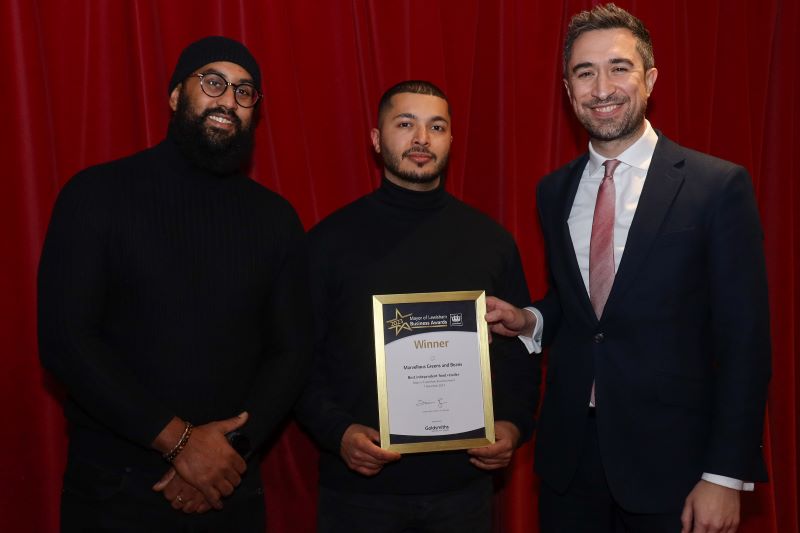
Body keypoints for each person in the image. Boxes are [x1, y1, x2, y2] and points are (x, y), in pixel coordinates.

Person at [485, 4, 771, 533]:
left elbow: (745, 340)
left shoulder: (716, 186)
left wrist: (725, 475)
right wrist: (530, 321)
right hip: (570, 465)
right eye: (584, 72)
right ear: (567, 90)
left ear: (650, 78)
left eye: (619, 67)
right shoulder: (554, 191)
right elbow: (587, 312)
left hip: (676, 468)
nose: (602, 88)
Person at [38, 36, 310, 532]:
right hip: (114, 490)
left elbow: (291, 351)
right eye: (213, 82)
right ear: (174, 95)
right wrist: (181, 443)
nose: (229, 99)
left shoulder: (277, 218)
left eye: (245, 92)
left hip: (231, 486)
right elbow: (66, 340)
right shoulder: (96, 194)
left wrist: (224, 457)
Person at [294, 80, 540, 533]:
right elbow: (298, 359)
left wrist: (513, 424)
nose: (421, 139)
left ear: (450, 139)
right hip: (359, 494)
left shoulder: (491, 243)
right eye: (405, 124)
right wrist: (338, 433)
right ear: (376, 139)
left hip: (463, 492)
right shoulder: (327, 243)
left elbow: (519, 348)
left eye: (436, 126)